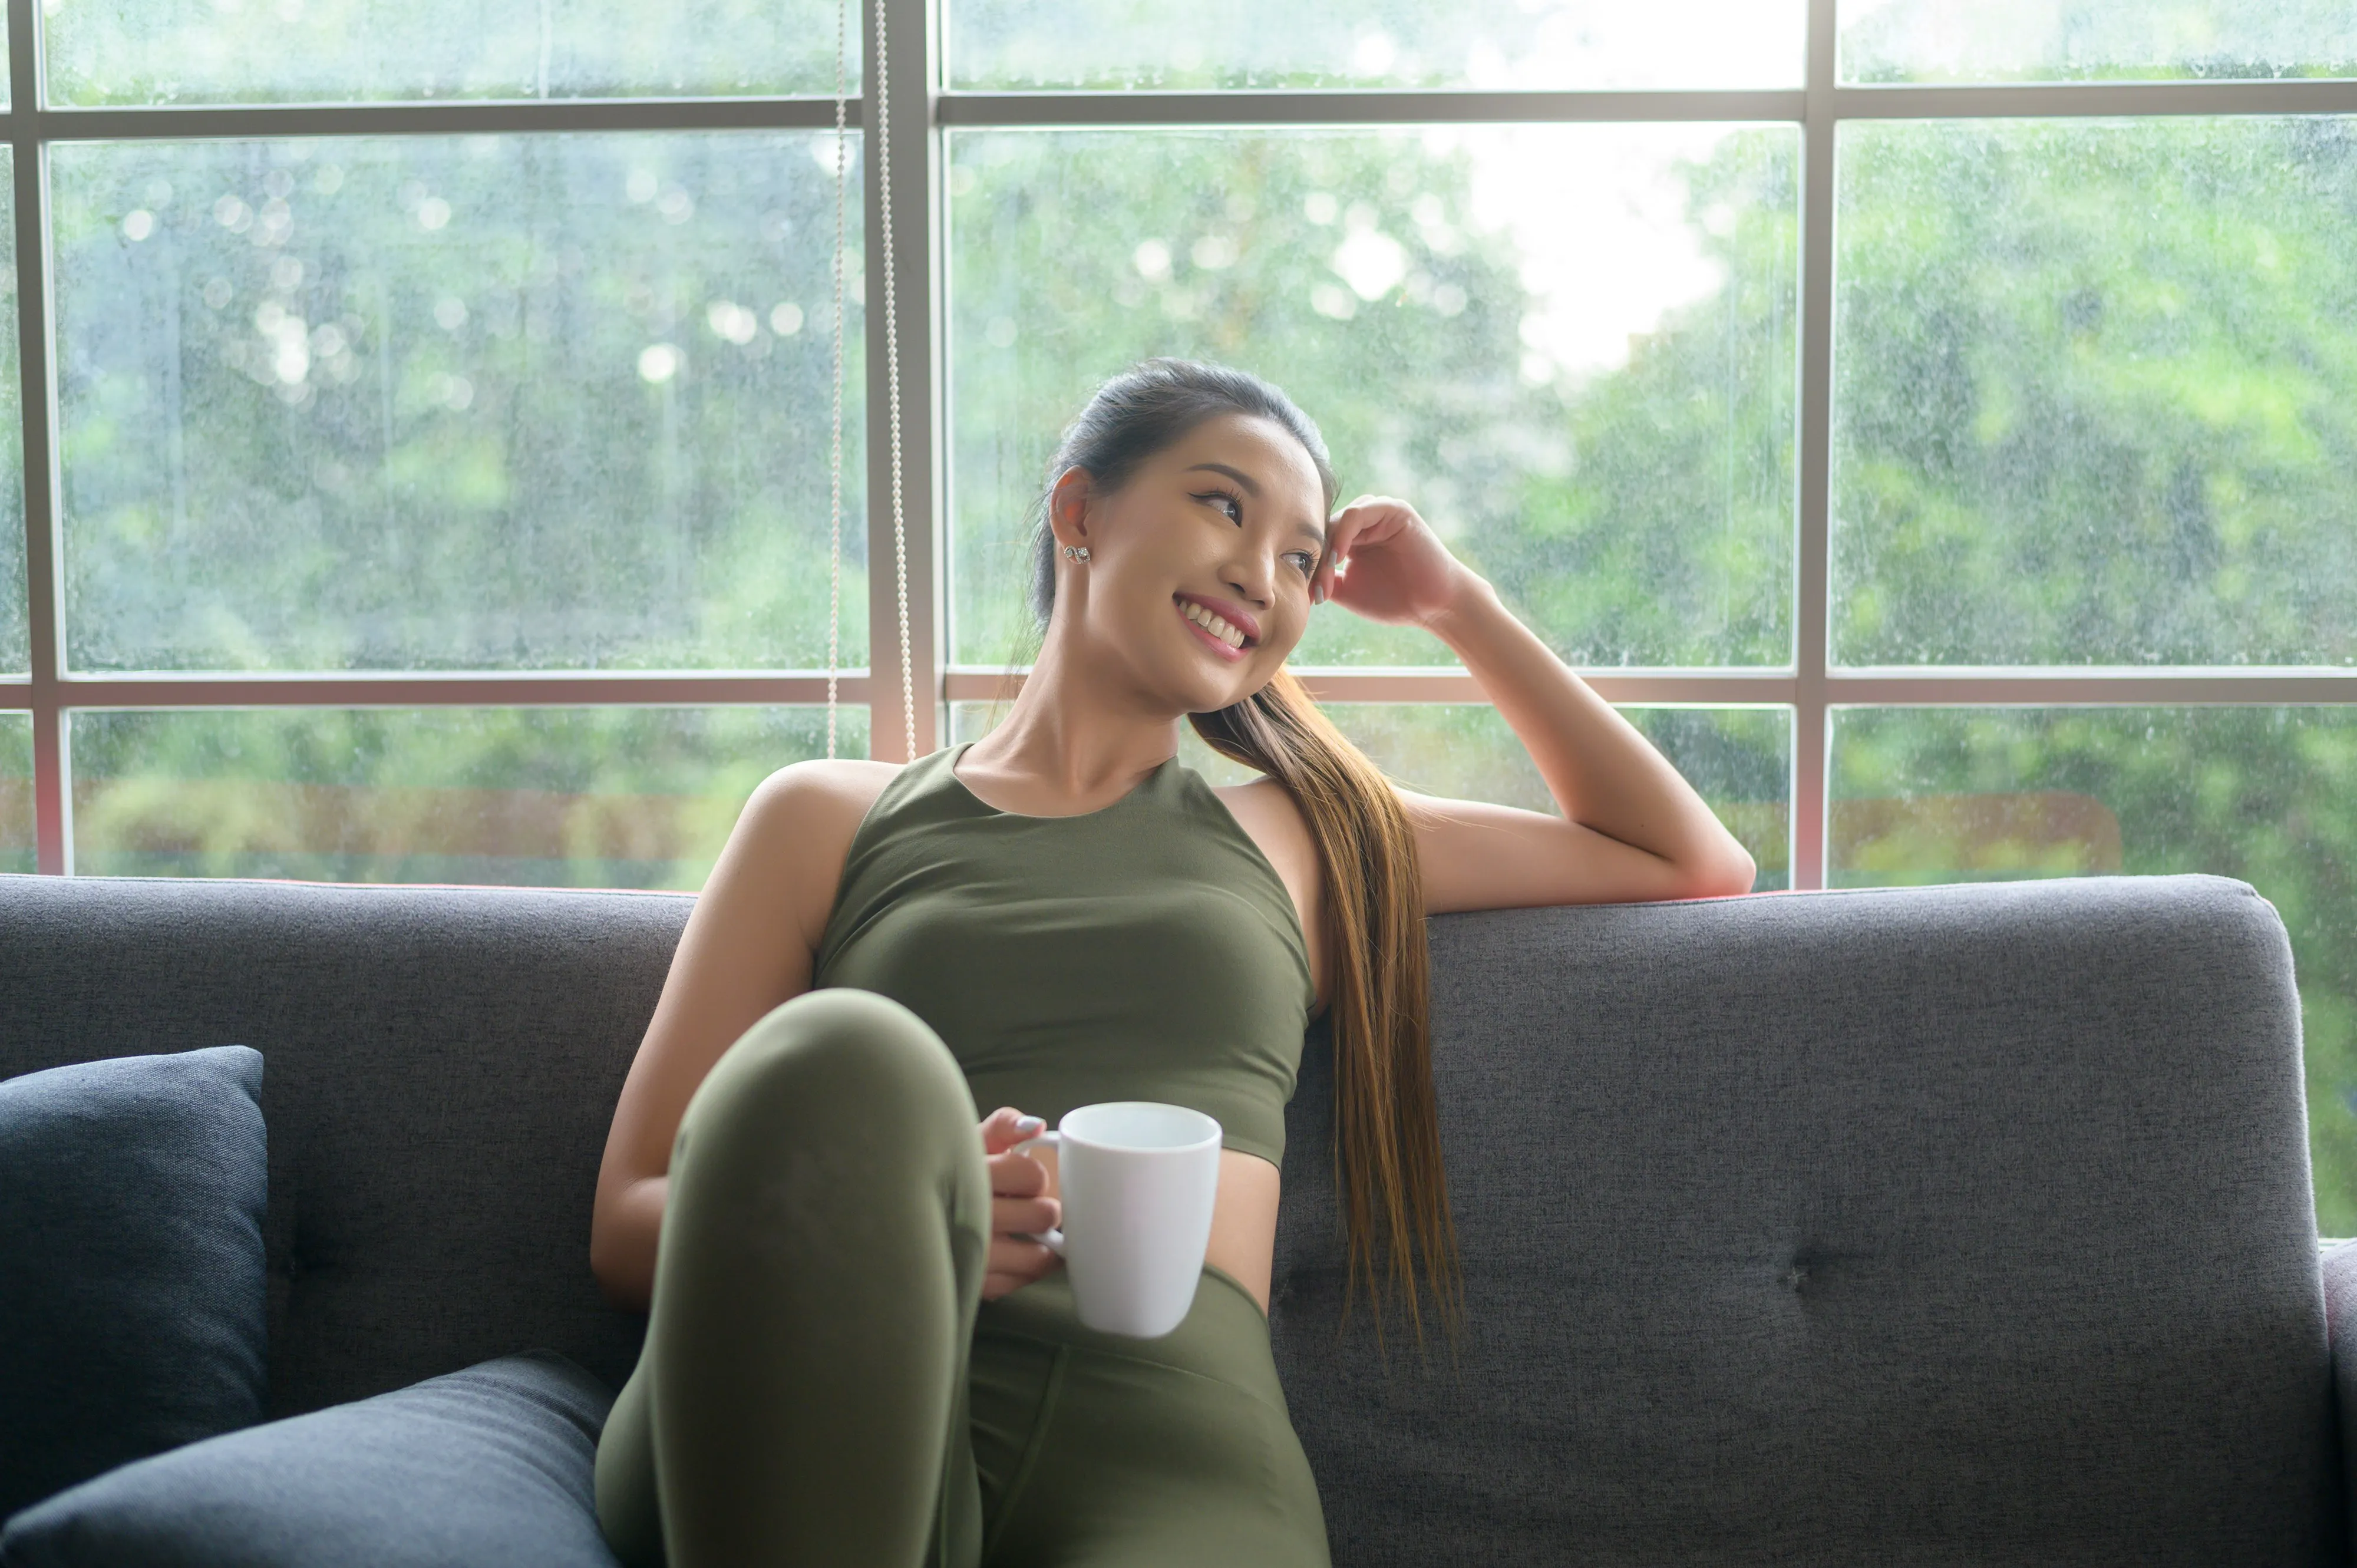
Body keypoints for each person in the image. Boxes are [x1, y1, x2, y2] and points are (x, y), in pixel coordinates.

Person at [586, 357, 1757, 1567]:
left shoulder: (1309, 831)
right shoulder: (823, 816)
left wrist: (1455, 603)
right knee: (847, 1052)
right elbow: (627, 1224)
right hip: (821, 1375)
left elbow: (1687, 860)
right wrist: (889, 1220)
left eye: (1303, 557)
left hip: (1159, 1442)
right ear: (1079, 513)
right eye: (1224, 505)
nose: (1263, 573)